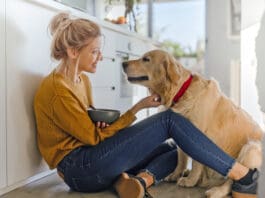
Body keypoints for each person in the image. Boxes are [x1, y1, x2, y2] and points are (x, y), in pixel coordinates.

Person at [34, 12, 259, 198]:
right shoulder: (57, 90)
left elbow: (86, 126)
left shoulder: (80, 80)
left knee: (173, 148)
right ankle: (242, 175)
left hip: (92, 159)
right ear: (73, 52)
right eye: (94, 51)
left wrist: (101, 124)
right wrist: (138, 107)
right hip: (79, 169)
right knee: (169, 120)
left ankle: (139, 181)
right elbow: (92, 138)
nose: (99, 57)